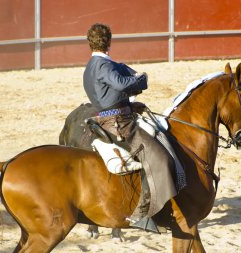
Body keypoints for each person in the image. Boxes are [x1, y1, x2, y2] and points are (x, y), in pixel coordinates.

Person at [83, 23, 176, 232]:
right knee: (159, 158)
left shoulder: (90, 66)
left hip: (109, 117)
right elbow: (123, 84)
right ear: (109, 42)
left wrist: (130, 105)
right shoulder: (103, 65)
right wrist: (141, 80)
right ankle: (143, 213)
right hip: (120, 124)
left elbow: (106, 97)